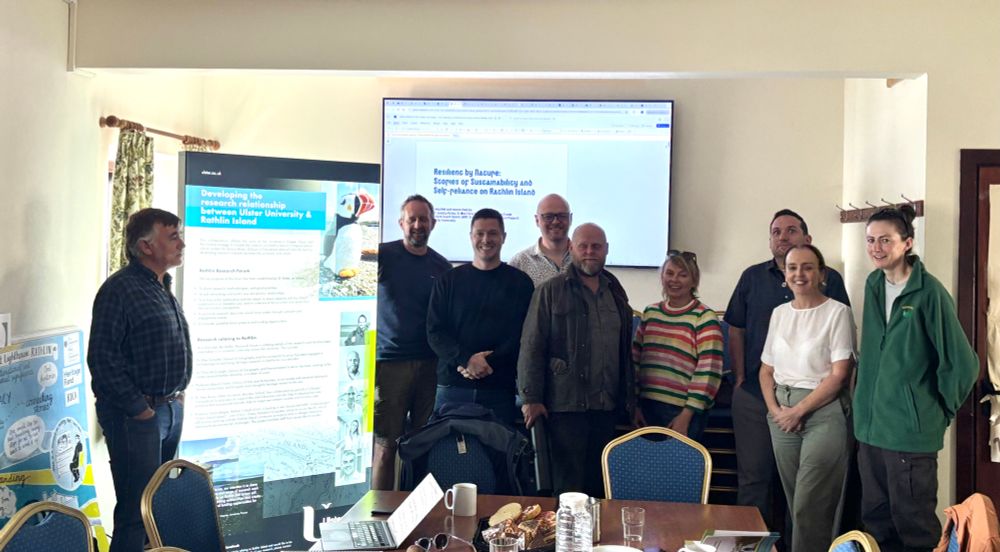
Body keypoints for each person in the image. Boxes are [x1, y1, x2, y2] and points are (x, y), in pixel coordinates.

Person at [853, 205, 978, 552]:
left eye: (886, 240)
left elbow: (963, 363)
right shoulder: (874, 283)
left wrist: (936, 413)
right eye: (871, 240)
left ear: (907, 242)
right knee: (876, 523)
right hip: (870, 430)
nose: (876, 248)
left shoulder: (929, 293)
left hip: (909, 436)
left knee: (915, 527)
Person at [724, 209, 850, 531]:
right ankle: (754, 545)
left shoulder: (832, 283)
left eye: (791, 231)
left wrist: (798, 410)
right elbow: (735, 327)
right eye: (776, 232)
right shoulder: (752, 278)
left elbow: (840, 354)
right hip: (759, 395)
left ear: (807, 239)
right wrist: (740, 377)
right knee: (755, 480)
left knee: (804, 492)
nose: (783, 237)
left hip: (818, 402)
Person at [88, 208, 191, 552]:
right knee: (136, 512)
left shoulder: (161, 285)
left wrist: (176, 398)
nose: (182, 243)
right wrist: (140, 410)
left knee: (157, 508)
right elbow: (102, 360)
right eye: (173, 236)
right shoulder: (120, 290)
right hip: (138, 417)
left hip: (168, 409)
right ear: (146, 246)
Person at [518, 223, 634, 498]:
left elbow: (624, 349)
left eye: (596, 246)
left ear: (607, 250)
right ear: (572, 249)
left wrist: (631, 400)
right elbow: (532, 345)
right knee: (568, 489)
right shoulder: (550, 291)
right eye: (583, 246)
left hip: (607, 407)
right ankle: (564, 542)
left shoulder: (615, 290)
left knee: (599, 488)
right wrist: (531, 398)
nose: (590, 252)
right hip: (565, 407)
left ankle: (596, 541)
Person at [759, 244, 856, 552]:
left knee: (810, 504)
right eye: (792, 268)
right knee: (795, 504)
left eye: (808, 267)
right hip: (781, 411)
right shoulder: (779, 314)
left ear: (821, 273)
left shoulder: (837, 313)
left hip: (822, 410)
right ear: (784, 275)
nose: (799, 274)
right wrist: (777, 411)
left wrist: (798, 411)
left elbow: (839, 375)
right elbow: (765, 371)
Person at [427, 208, 534, 425]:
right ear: (471, 237)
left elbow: (522, 335)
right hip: (452, 387)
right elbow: (435, 331)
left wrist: (484, 364)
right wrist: (466, 359)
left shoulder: (520, 283)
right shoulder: (447, 281)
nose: (486, 239)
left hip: (499, 388)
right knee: (447, 456)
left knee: (498, 457)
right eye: (480, 233)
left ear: (503, 237)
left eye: (493, 233)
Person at [373, 194, 452, 490]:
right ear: (401, 223)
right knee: (385, 447)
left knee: (422, 447)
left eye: (423, 219)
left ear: (433, 223)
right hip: (388, 365)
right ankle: (378, 517)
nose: (418, 225)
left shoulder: (442, 267)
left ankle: (415, 520)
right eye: (412, 219)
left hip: (431, 367)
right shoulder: (382, 256)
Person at [632, 250, 723, 444]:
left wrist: (687, 415)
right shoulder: (650, 313)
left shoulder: (704, 318)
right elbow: (635, 360)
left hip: (683, 411)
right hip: (647, 407)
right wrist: (635, 404)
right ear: (662, 276)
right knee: (648, 470)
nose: (675, 280)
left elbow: (709, 372)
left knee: (678, 471)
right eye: (670, 273)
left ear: (694, 280)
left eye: (683, 275)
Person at [509, 194, 573, 285]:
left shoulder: (586, 257)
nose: (555, 221)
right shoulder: (519, 263)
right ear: (537, 220)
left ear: (570, 218)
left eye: (562, 216)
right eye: (548, 216)